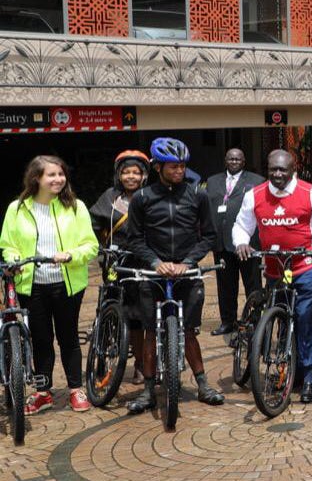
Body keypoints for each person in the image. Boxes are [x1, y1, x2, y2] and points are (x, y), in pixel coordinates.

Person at [122, 138, 224, 414]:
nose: (180, 171)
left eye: (182, 166)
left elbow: (210, 236)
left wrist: (188, 262)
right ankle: (147, 391)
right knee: (150, 332)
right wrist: (155, 262)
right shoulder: (143, 198)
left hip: (187, 272)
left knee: (189, 331)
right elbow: (134, 239)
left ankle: (202, 385)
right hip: (153, 273)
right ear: (158, 167)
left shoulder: (197, 195)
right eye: (173, 166)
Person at [233, 149, 312, 404]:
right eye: (273, 170)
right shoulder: (254, 195)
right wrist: (242, 243)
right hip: (274, 268)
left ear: (293, 170)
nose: (277, 175)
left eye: (283, 170)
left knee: (305, 318)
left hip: (305, 267)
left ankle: (309, 373)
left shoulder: (310, 193)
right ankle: (288, 365)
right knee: (280, 317)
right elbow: (242, 226)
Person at [0, 156, 98, 414]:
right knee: (41, 339)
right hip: (31, 284)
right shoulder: (17, 208)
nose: (58, 179)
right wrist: (13, 260)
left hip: (67, 283)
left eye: (61, 174)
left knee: (69, 338)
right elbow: (7, 244)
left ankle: (76, 389)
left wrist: (71, 255)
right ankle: (44, 392)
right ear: (36, 178)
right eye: (51, 175)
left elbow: (91, 245)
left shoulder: (76, 207)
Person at [88, 150, 150, 385]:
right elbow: (93, 225)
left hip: (143, 263)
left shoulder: (150, 196)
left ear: (144, 175)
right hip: (116, 262)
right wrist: (98, 246)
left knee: (139, 315)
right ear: (119, 175)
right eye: (126, 172)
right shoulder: (110, 198)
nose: (131, 176)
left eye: (136, 172)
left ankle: (142, 363)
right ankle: (104, 358)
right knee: (112, 310)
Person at [203, 148, 265, 336]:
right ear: (225, 160)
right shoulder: (212, 181)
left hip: (248, 244)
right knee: (225, 286)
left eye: (238, 159)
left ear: (244, 161)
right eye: (231, 158)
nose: (234, 161)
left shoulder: (257, 181)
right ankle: (227, 322)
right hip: (221, 244)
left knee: (252, 284)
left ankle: (255, 322)